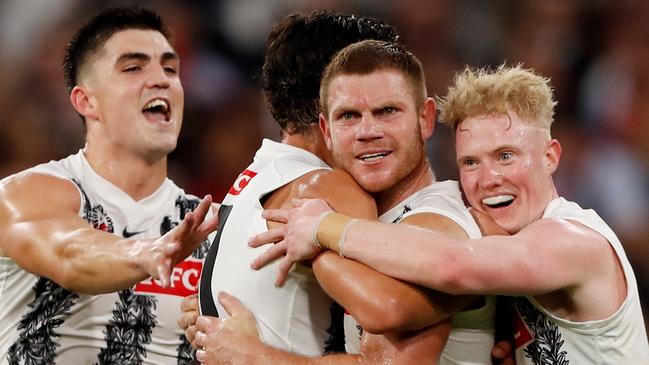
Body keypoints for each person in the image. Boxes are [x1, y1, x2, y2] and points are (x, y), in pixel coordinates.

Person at [252, 64, 649, 364]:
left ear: (550, 157)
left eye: (506, 156)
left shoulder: (574, 240)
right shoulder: (505, 245)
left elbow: (452, 265)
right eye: (471, 163)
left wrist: (323, 226)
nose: (489, 178)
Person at [187, 38, 502, 364]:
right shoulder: (369, 225)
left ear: (426, 119)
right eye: (349, 116)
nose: (367, 131)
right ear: (326, 129)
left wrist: (254, 355)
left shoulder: (438, 218)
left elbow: (387, 337)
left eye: (387, 111)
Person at [0, 7, 219, 364]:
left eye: (170, 68)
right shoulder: (26, 194)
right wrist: (146, 252)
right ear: (86, 100)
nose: (161, 79)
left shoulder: (210, 227)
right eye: (134, 68)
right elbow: (67, 254)